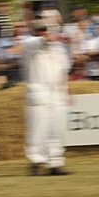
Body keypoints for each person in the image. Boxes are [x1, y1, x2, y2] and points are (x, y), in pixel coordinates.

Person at [23, 23, 73, 176]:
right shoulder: (30, 45)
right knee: (38, 130)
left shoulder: (59, 50)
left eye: (47, 31)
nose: (45, 34)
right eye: (41, 31)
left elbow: (63, 72)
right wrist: (48, 38)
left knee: (57, 131)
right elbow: (37, 42)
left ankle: (55, 164)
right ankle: (36, 163)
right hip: (39, 93)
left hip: (56, 94)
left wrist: (66, 92)